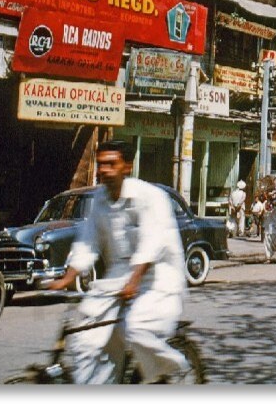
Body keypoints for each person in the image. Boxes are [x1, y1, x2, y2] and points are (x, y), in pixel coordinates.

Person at [44, 139, 190, 384]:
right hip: (118, 278)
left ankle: (175, 369)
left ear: (127, 167)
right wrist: (67, 277)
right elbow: (88, 241)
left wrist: (134, 281)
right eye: (101, 165)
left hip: (158, 277)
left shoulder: (150, 197)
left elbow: (153, 241)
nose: (105, 171)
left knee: (134, 328)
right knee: (86, 337)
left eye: (112, 164)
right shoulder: (99, 200)